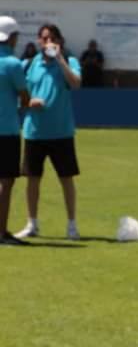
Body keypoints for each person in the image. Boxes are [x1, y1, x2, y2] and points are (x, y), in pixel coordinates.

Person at [13, 23, 82, 241]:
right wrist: (29, 101)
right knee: (32, 179)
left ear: (59, 41)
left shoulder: (69, 61)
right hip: (34, 132)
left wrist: (60, 60)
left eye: (52, 38)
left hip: (61, 132)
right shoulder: (29, 64)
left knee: (66, 179)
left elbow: (76, 83)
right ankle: (32, 223)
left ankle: (72, 225)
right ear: (38, 41)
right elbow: (16, 97)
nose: (48, 42)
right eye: (44, 38)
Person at [0, 16, 30, 244]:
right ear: (12, 38)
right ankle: (1, 232)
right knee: (6, 182)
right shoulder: (13, 64)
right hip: (7, 130)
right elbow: (24, 97)